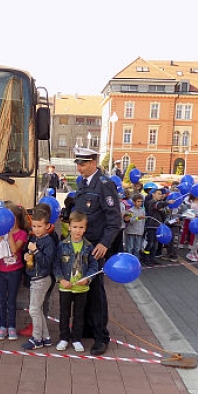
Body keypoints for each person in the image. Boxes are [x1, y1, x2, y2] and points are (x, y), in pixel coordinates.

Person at [71, 146, 122, 356]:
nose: (79, 168)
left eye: (83, 164)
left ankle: (101, 336)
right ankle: (87, 328)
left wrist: (104, 244)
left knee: (95, 292)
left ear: (93, 163)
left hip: (96, 248)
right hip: (81, 246)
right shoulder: (83, 183)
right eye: (78, 164)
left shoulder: (104, 185)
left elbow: (114, 219)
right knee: (83, 288)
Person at [53, 211, 99, 352]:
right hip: (65, 287)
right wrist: (61, 279)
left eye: (81, 227)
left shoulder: (88, 246)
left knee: (79, 315)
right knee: (64, 314)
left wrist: (88, 278)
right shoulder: (62, 245)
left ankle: (76, 339)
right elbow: (56, 264)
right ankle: (64, 338)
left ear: (85, 228)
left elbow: (94, 266)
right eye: (75, 227)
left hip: (81, 289)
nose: (77, 230)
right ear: (69, 227)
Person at [21, 207, 56, 350]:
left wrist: (35, 251)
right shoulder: (33, 238)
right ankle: (46, 337)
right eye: (34, 226)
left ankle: (37, 339)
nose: (36, 229)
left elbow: (47, 262)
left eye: (39, 226)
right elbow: (30, 255)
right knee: (38, 309)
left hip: (42, 278)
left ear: (47, 226)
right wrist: (26, 255)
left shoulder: (49, 242)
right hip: (34, 277)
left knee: (34, 309)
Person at [0, 203, 28, 341]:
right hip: (2, 270)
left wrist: (9, 233)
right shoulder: (2, 232)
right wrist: (1, 234)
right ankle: (3, 325)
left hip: (15, 271)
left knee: (11, 300)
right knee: (1, 299)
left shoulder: (22, 234)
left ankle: (12, 326)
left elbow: (14, 250)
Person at [123, 193, 145, 259]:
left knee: (137, 248)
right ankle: (129, 260)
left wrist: (142, 230)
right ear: (134, 202)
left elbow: (143, 222)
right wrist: (137, 218)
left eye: (141, 201)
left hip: (139, 232)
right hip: (131, 232)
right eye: (138, 201)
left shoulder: (142, 210)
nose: (140, 203)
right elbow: (128, 220)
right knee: (130, 247)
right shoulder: (130, 211)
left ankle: (136, 261)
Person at [186, 196, 198, 262]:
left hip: (197, 224)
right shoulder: (194, 205)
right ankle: (191, 253)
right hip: (197, 225)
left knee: (196, 240)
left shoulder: (195, 204)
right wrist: (197, 215)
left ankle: (194, 253)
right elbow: (190, 215)